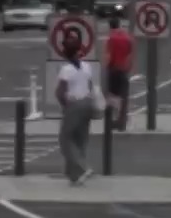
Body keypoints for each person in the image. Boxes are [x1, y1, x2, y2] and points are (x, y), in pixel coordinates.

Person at [54, 31, 103, 185]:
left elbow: (60, 92)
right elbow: (90, 86)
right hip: (87, 103)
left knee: (65, 139)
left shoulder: (66, 70)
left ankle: (82, 167)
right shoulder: (87, 66)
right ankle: (74, 176)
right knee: (80, 139)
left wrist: (65, 105)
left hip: (74, 105)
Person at [104, 18, 135, 126]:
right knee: (123, 95)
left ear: (110, 26)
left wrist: (107, 66)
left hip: (114, 69)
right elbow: (130, 55)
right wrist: (128, 67)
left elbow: (109, 55)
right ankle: (125, 117)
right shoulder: (127, 37)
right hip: (124, 69)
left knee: (113, 95)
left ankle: (115, 118)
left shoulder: (111, 38)